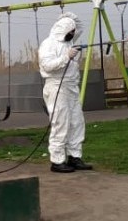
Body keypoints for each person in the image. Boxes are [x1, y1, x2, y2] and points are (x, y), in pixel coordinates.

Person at [38, 11, 93, 173]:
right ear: (62, 30)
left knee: (76, 122)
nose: (73, 34)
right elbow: (47, 65)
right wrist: (66, 58)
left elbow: (80, 27)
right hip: (56, 87)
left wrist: (70, 16)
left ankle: (74, 156)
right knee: (60, 123)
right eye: (70, 32)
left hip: (71, 86)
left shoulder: (69, 42)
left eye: (73, 32)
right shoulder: (48, 44)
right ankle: (57, 160)